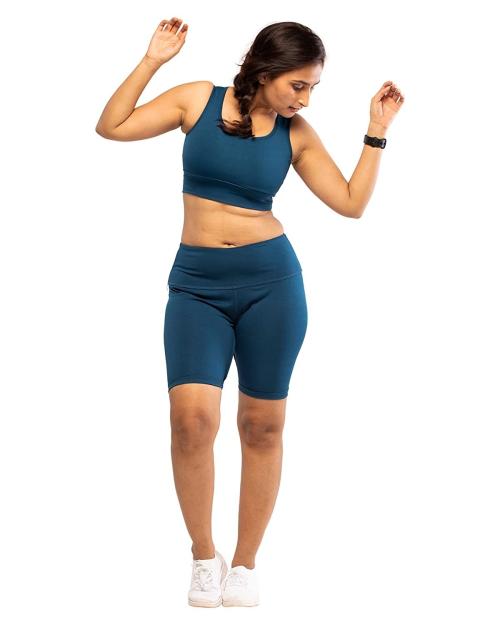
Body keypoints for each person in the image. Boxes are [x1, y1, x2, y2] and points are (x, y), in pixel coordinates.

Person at [95, 18, 404, 608]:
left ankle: (244, 564)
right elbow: (111, 126)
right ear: (265, 71)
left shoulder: (296, 133)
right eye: (298, 85)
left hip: (272, 287)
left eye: (312, 88)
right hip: (196, 288)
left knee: (262, 427)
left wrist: (376, 131)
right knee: (191, 422)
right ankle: (203, 556)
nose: (305, 99)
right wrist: (152, 60)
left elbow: (350, 203)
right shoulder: (197, 100)